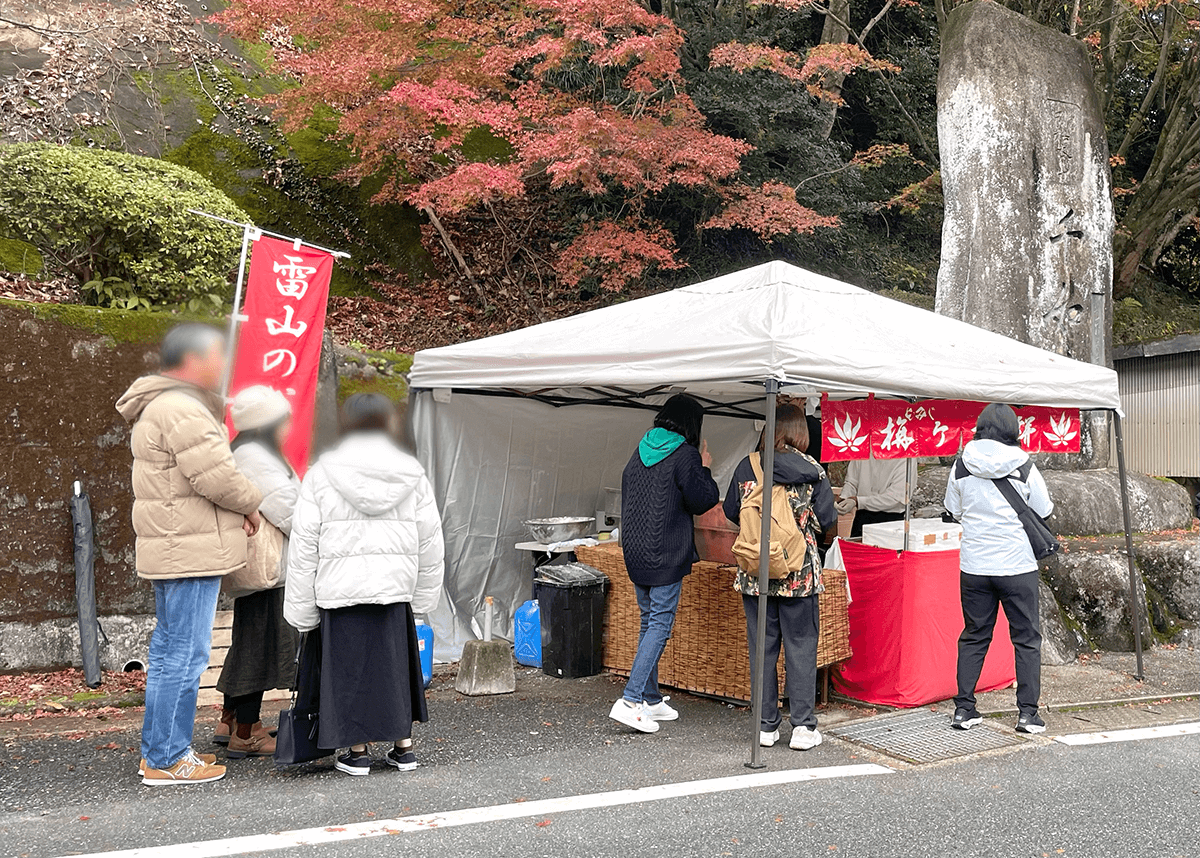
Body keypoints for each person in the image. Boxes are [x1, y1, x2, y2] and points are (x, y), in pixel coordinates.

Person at [116, 323, 263, 786]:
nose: (223, 366)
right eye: (218, 355)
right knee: (184, 654)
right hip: (190, 550)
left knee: (169, 652)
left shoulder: (160, 405)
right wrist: (252, 503)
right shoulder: (182, 408)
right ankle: (168, 757)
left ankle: (161, 751)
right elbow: (217, 477)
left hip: (177, 546)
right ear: (193, 360)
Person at [285, 393, 445, 776]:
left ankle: (357, 752)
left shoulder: (323, 472)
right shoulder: (410, 472)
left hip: (340, 592)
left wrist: (301, 609)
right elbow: (430, 539)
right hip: (394, 590)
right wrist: (422, 597)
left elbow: (304, 543)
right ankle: (403, 747)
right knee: (393, 668)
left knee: (351, 671)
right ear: (387, 423)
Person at [724, 404, 837, 750]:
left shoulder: (748, 466)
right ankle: (803, 728)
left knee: (763, 648)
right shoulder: (813, 471)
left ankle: (765, 726)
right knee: (801, 648)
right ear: (799, 432)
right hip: (798, 574)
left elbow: (731, 511)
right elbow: (828, 520)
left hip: (755, 573)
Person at [610, 394, 720, 733]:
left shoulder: (640, 449)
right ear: (692, 425)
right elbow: (703, 501)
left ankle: (651, 699)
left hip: (636, 552)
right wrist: (704, 465)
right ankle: (629, 701)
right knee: (659, 625)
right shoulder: (685, 455)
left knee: (648, 623)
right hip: (666, 553)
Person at [945, 403, 1053, 734]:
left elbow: (952, 510)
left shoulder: (961, 464)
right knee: (1026, 638)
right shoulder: (1025, 466)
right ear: (1013, 429)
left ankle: (964, 710)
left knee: (975, 635)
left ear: (979, 427)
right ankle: (1027, 714)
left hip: (975, 566)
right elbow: (1044, 510)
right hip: (1017, 565)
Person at [214, 386, 302, 758]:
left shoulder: (244, 452)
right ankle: (246, 733)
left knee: (249, 639)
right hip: (270, 570)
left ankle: (230, 719)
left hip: (258, 570)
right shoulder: (258, 458)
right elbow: (288, 510)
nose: (288, 426)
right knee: (261, 647)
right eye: (283, 420)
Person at [836, 455, 910, 538]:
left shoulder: (905, 456)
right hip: (862, 516)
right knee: (858, 550)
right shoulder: (864, 447)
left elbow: (895, 498)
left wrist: (857, 501)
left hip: (891, 520)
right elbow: (852, 481)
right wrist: (844, 498)